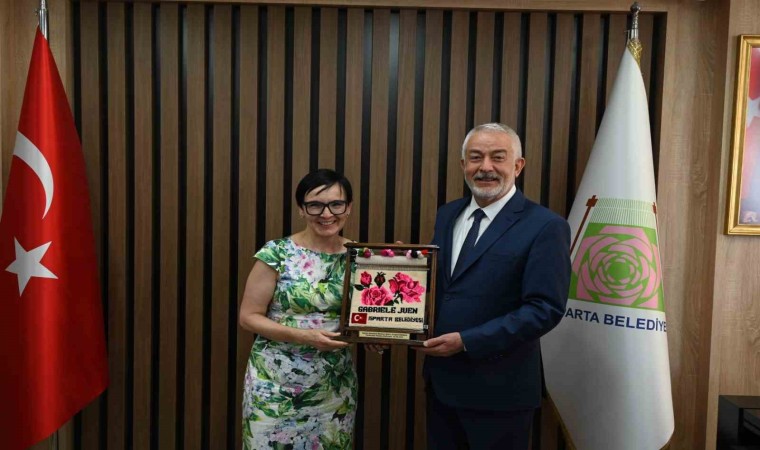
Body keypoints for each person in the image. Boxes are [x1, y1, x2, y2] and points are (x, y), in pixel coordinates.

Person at [420, 123, 571, 449]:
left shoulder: (546, 226)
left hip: (501, 393)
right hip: (442, 386)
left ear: (518, 165)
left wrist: (467, 341)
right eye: (476, 157)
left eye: (497, 157)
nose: (485, 167)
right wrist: (384, 320)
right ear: (463, 165)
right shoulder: (448, 214)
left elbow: (545, 309)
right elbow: (439, 287)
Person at [239, 169, 357, 450]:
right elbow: (248, 317)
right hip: (273, 386)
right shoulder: (277, 252)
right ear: (301, 209)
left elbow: (371, 312)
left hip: (334, 386)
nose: (326, 214)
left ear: (348, 208)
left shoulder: (361, 256)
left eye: (336, 204)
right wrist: (305, 336)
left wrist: (398, 265)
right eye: (315, 205)